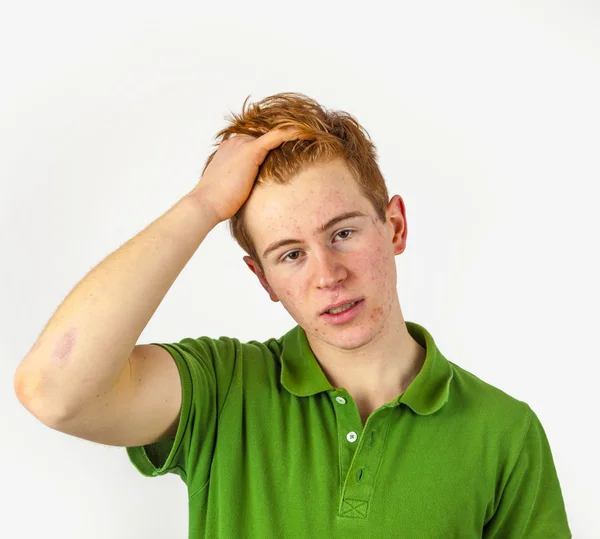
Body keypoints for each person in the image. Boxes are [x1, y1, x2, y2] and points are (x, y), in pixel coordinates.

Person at [14, 92, 571, 538]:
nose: (327, 275)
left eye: (344, 233)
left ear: (395, 227)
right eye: (291, 254)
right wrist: (203, 205)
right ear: (264, 279)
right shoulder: (222, 389)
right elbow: (53, 389)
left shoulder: (506, 432)